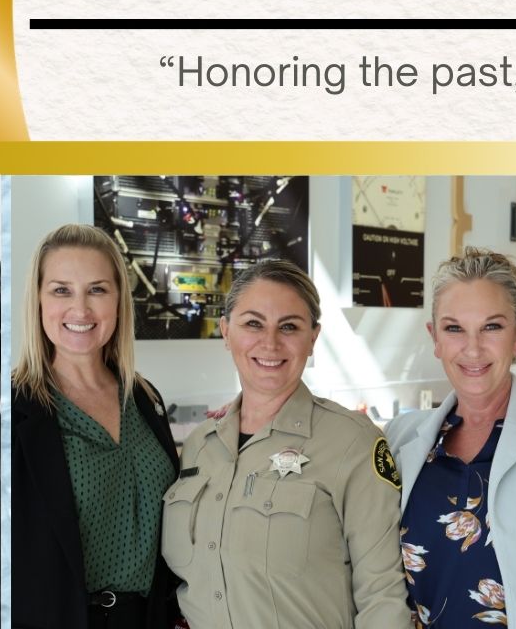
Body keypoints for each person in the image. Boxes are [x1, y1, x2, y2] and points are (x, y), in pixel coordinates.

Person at [159, 260, 411, 629]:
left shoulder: (352, 442)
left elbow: (382, 595)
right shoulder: (200, 446)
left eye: (289, 326)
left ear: (313, 338)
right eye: (253, 323)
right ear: (226, 332)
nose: (270, 343)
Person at [12, 223, 178, 629]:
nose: (81, 310)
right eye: (61, 290)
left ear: (119, 300)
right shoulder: (14, 409)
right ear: (38, 300)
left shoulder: (144, 398)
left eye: (98, 290)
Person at [387, 250, 516, 627]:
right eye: (454, 328)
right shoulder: (400, 440)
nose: (472, 348)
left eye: (492, 327)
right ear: (435, 338)